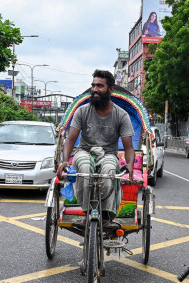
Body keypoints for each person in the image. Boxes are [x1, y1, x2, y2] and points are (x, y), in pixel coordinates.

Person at [56, 69, 135, 226]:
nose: (95, 89)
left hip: (108, 154)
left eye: (100, 86)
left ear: (110, 89)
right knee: (85, 168)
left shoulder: (121, 115)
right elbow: (71, 139)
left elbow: (128, 146)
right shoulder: (82, 111)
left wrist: (130, 165)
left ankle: (106, 216)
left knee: (111, 170)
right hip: (84, 151)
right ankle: (87, 212)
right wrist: (65, 161)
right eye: (93, 86)